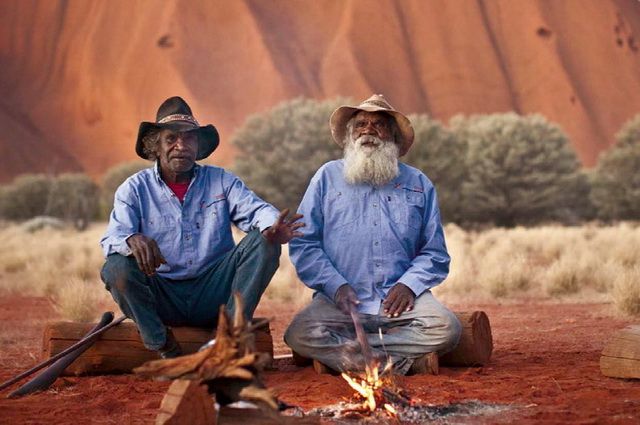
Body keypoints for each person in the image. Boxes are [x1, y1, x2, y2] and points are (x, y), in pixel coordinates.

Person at [100, 96, 303, 358]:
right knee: (116, 267)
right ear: (156, 146)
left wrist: (272, 226)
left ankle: (228, 337)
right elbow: (111, 240)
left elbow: (257, 210)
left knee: (266, 242)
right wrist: (131, 240)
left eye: (189, 138)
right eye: (171, 138)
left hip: (215, 294)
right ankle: (162, 345)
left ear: (198, 145)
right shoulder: (134, 189)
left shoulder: (221, 181)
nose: (181, 146)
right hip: (163, 296)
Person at [284, 94, 461, 375]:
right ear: (349, 135)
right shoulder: (326, 177)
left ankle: (355, 357)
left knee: (447, 328)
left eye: (378, 124)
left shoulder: (418, 183)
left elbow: (434, 252)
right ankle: (400, 361)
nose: (368, 130)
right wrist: (335, 285)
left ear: (392, 135)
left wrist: (409, 285)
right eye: (361, 124)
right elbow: (305, 242)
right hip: (342, 301)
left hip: (401, 304)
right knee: (299, 333)